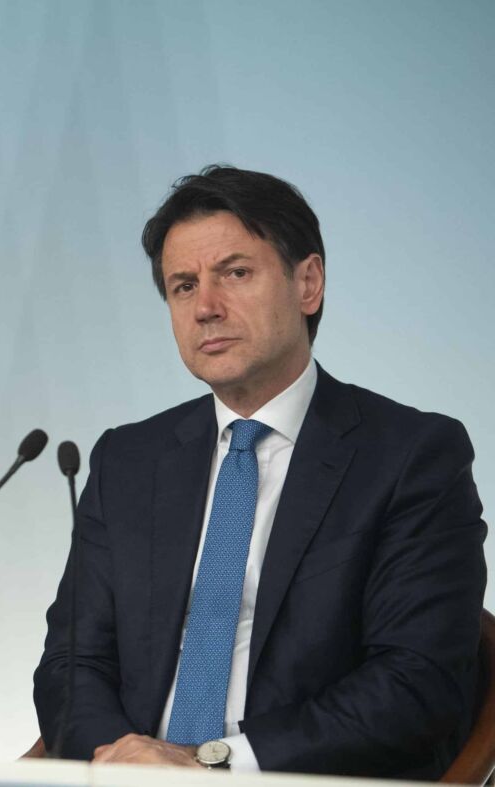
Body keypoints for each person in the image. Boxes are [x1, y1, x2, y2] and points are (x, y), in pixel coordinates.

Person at [34, 165, 487, 778]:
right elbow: (70, 664)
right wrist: (126, 761)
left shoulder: (411, 456)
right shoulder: (127, 460)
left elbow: (415, 684)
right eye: (183, 286)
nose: (206, 309)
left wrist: (210, 763)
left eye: (235, 274)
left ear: (308, 282)